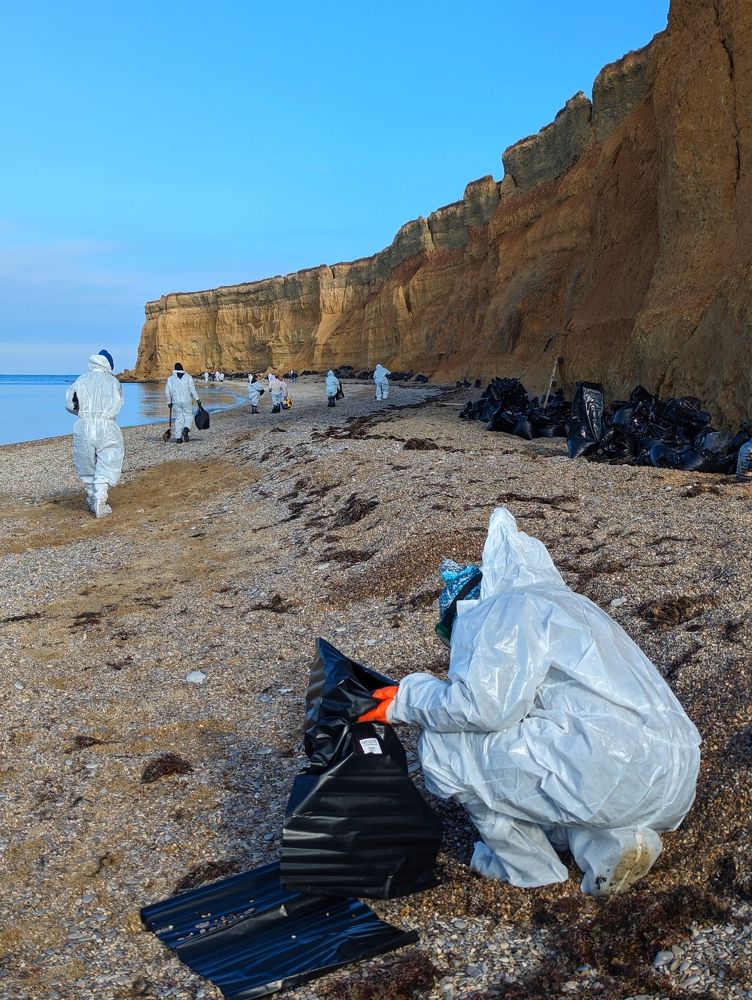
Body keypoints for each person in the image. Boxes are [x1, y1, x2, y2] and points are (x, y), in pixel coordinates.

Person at [360, 508, 701, 896]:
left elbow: (485, 706)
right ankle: (613, 843)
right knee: (545, 752)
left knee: (446, 745)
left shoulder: (501, 611)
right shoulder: (569, 603)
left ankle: (529, 868)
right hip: (670, 776)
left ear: (466, 611)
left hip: (607, 764)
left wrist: (407, 699)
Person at [65, 350, 124, 518]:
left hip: (84, 426)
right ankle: (100, 498)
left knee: (86, 462)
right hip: (107, 425)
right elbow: (119, 402)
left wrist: (83, 413)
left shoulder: (81, 380)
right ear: (109, 365)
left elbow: (70, 404)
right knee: (108, 460)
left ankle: (92, 496)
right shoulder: (114, 382)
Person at [165, 363, 200, 443]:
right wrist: (197, 399)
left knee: (179, 418)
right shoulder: (188, 377)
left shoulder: (170, 379)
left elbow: (167, 392)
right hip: (187, 400)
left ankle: (178, 438)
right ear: (182, 369)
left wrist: (169, 402)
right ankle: (186, 429)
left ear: (175, 369)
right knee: (188, 416)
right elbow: (192, 390)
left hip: (176, 401)